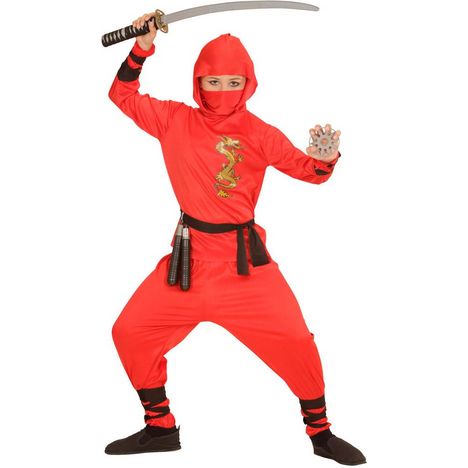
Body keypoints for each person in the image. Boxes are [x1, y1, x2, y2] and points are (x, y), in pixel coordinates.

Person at [104, 11, 366, 466]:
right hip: (186, 267)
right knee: (130, 331)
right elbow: (122, 94)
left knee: (297, 342)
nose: (222, 91)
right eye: (213, 81)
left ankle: (320, 433)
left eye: (232, 82)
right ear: (198, 83)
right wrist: (141, 48)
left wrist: (324, 159)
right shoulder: (173, 120)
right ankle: (160, 426)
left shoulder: (259, 133)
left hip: (246, 269)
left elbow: (310, 173)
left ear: (247, 84)